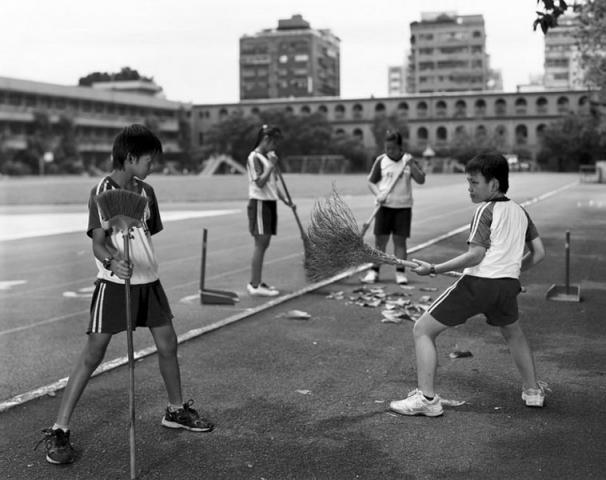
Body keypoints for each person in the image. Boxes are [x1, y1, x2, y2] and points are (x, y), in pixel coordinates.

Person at [37, 124, 214, 465]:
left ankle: (175, 410)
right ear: (130, 157)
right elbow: (98, 242)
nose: (154, 165)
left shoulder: (147, 191)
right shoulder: (101, 191)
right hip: (115, 285)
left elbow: (148, 235)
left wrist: (138, 254)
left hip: (148, 281)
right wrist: (114, 262)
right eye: (150, 159)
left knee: (168, 344)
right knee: (93, 353)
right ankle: (59, 429)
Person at [389, 153, 546, 417]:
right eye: (468, 182)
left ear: (493, 185)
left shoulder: (485, 210)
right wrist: (513, 272)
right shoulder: (521, 211)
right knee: (514, 334)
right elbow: (539, 253)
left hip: (478, 284)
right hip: (507, 287)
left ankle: (427, 399)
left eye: (474, 182)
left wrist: (434, 269)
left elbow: (476, 255)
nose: (469, 188)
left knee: (423, 330)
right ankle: (533, 392)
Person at [361, 130, 425, 285]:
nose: (389, 151)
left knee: (400, 242)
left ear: (400, 147)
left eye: (392, 148)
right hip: (384, 207)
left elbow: (421, 180)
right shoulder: (381, 160)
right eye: (387, 148)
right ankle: (374, 271)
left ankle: (400, 272)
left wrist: (411, 166)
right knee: (380, 242)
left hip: (403, 208)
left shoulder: (409, 160)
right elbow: (371, 182)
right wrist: (378, 194)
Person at [246, 124, 292, 297]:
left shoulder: (266, 158)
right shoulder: (254, 157)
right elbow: (260, 182)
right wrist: (271, 165)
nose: (276, 146)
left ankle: (257, 281)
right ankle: (255, 285)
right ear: (266, 139)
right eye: (274, 142)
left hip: (270, 203)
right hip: (260, 203)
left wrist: (286, 201)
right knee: (260, 243)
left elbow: (273, 185)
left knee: (265, 244)